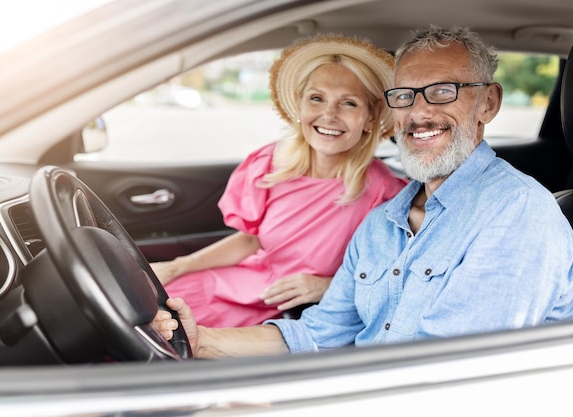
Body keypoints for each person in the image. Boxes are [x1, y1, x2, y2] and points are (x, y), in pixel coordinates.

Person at [152, 25, 573, 357]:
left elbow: (454, 372)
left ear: (487, 103)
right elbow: (317, 333)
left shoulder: (518, 212)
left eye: (441, 92)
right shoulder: (383, 224)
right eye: (404, 96)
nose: (418, 112)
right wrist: (200, 340)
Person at [150, 34, 407, 328]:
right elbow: (251, 240)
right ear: (299, 106)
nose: (329, 115)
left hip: (288, 313)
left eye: (348, 103)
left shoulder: (385, 192)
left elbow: (390, 273)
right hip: (239, 283)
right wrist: (176, 268)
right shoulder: (270, 164)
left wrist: (325, 285)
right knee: (145, 306)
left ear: (371, 117)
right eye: (316, 98)